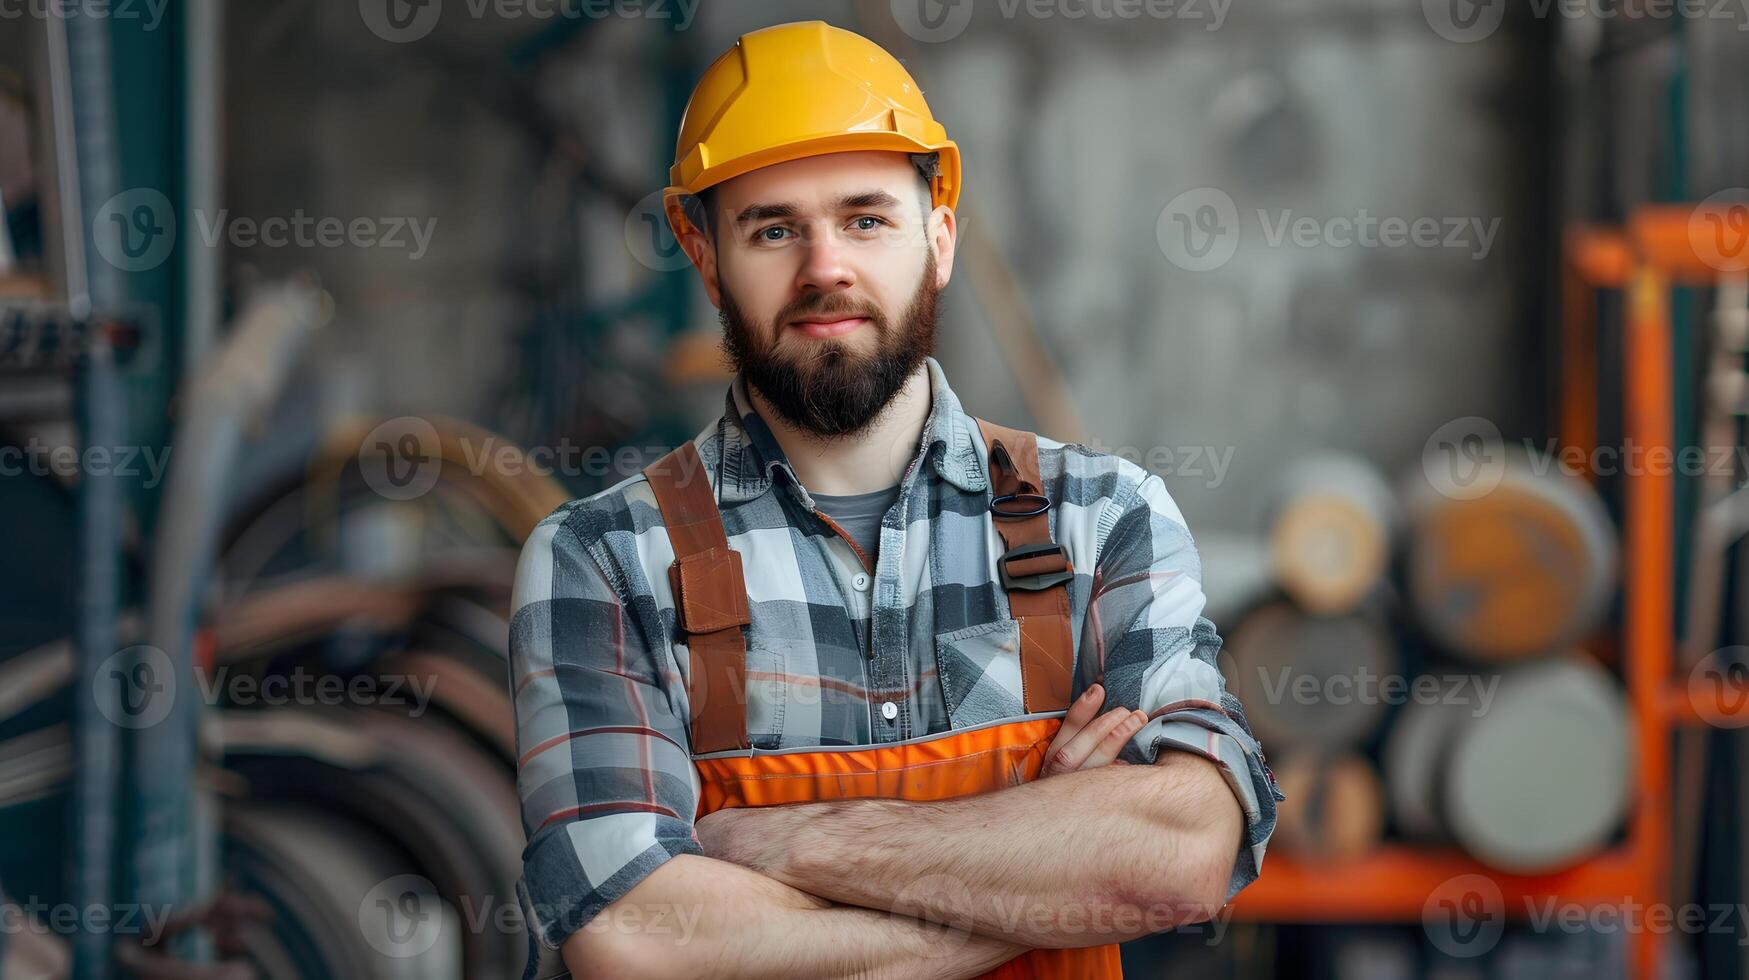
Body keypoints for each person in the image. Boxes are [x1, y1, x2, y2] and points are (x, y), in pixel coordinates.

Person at [508, 20, 1280, 980]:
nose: (824, 266)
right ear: (701, 254)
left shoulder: (1101, 517)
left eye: (865, 218)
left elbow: (1180, 858)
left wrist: (796, 845)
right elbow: (635, 941)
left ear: (940, 237)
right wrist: (1047, 872)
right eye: (773, 228)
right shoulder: (606, 561)